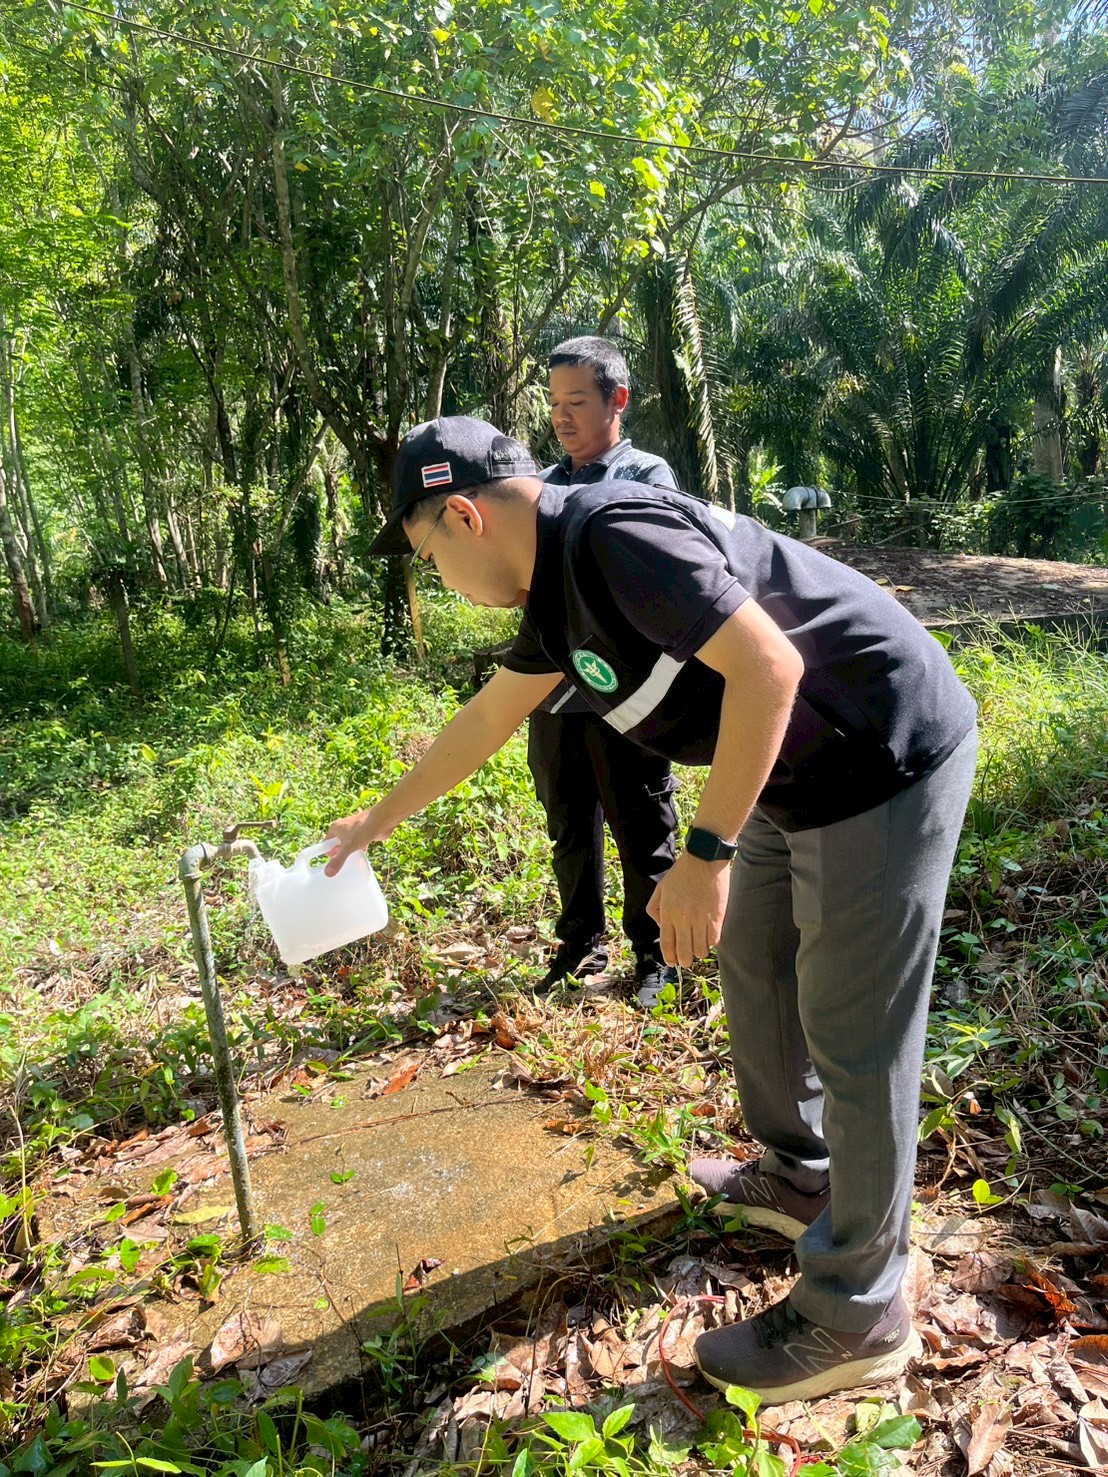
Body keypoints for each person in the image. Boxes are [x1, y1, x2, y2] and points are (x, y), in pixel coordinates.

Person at [324, 415, 977, 1404]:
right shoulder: (555, 589)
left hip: (881, 752)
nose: (438, 579)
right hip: (790, 772)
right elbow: (486, 719)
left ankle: (858, 1311)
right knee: (755, 964)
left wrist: (704, 853)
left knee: (855, 1028)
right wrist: (374, 821)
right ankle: (799, 1174)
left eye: (427, 558)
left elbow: (770, 667)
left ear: (462, 515)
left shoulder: (614, 534)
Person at [532, 336, 680, 1005]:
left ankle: (657, 955)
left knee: (642, 824)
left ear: (617, 399)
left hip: (626, 692)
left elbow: (660, 578)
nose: (561, 417)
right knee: (568, 823)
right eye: (554, 403)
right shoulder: (542, 486)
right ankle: (578, 945)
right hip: (553, 689)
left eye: (577, 402)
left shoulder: (646, 477)